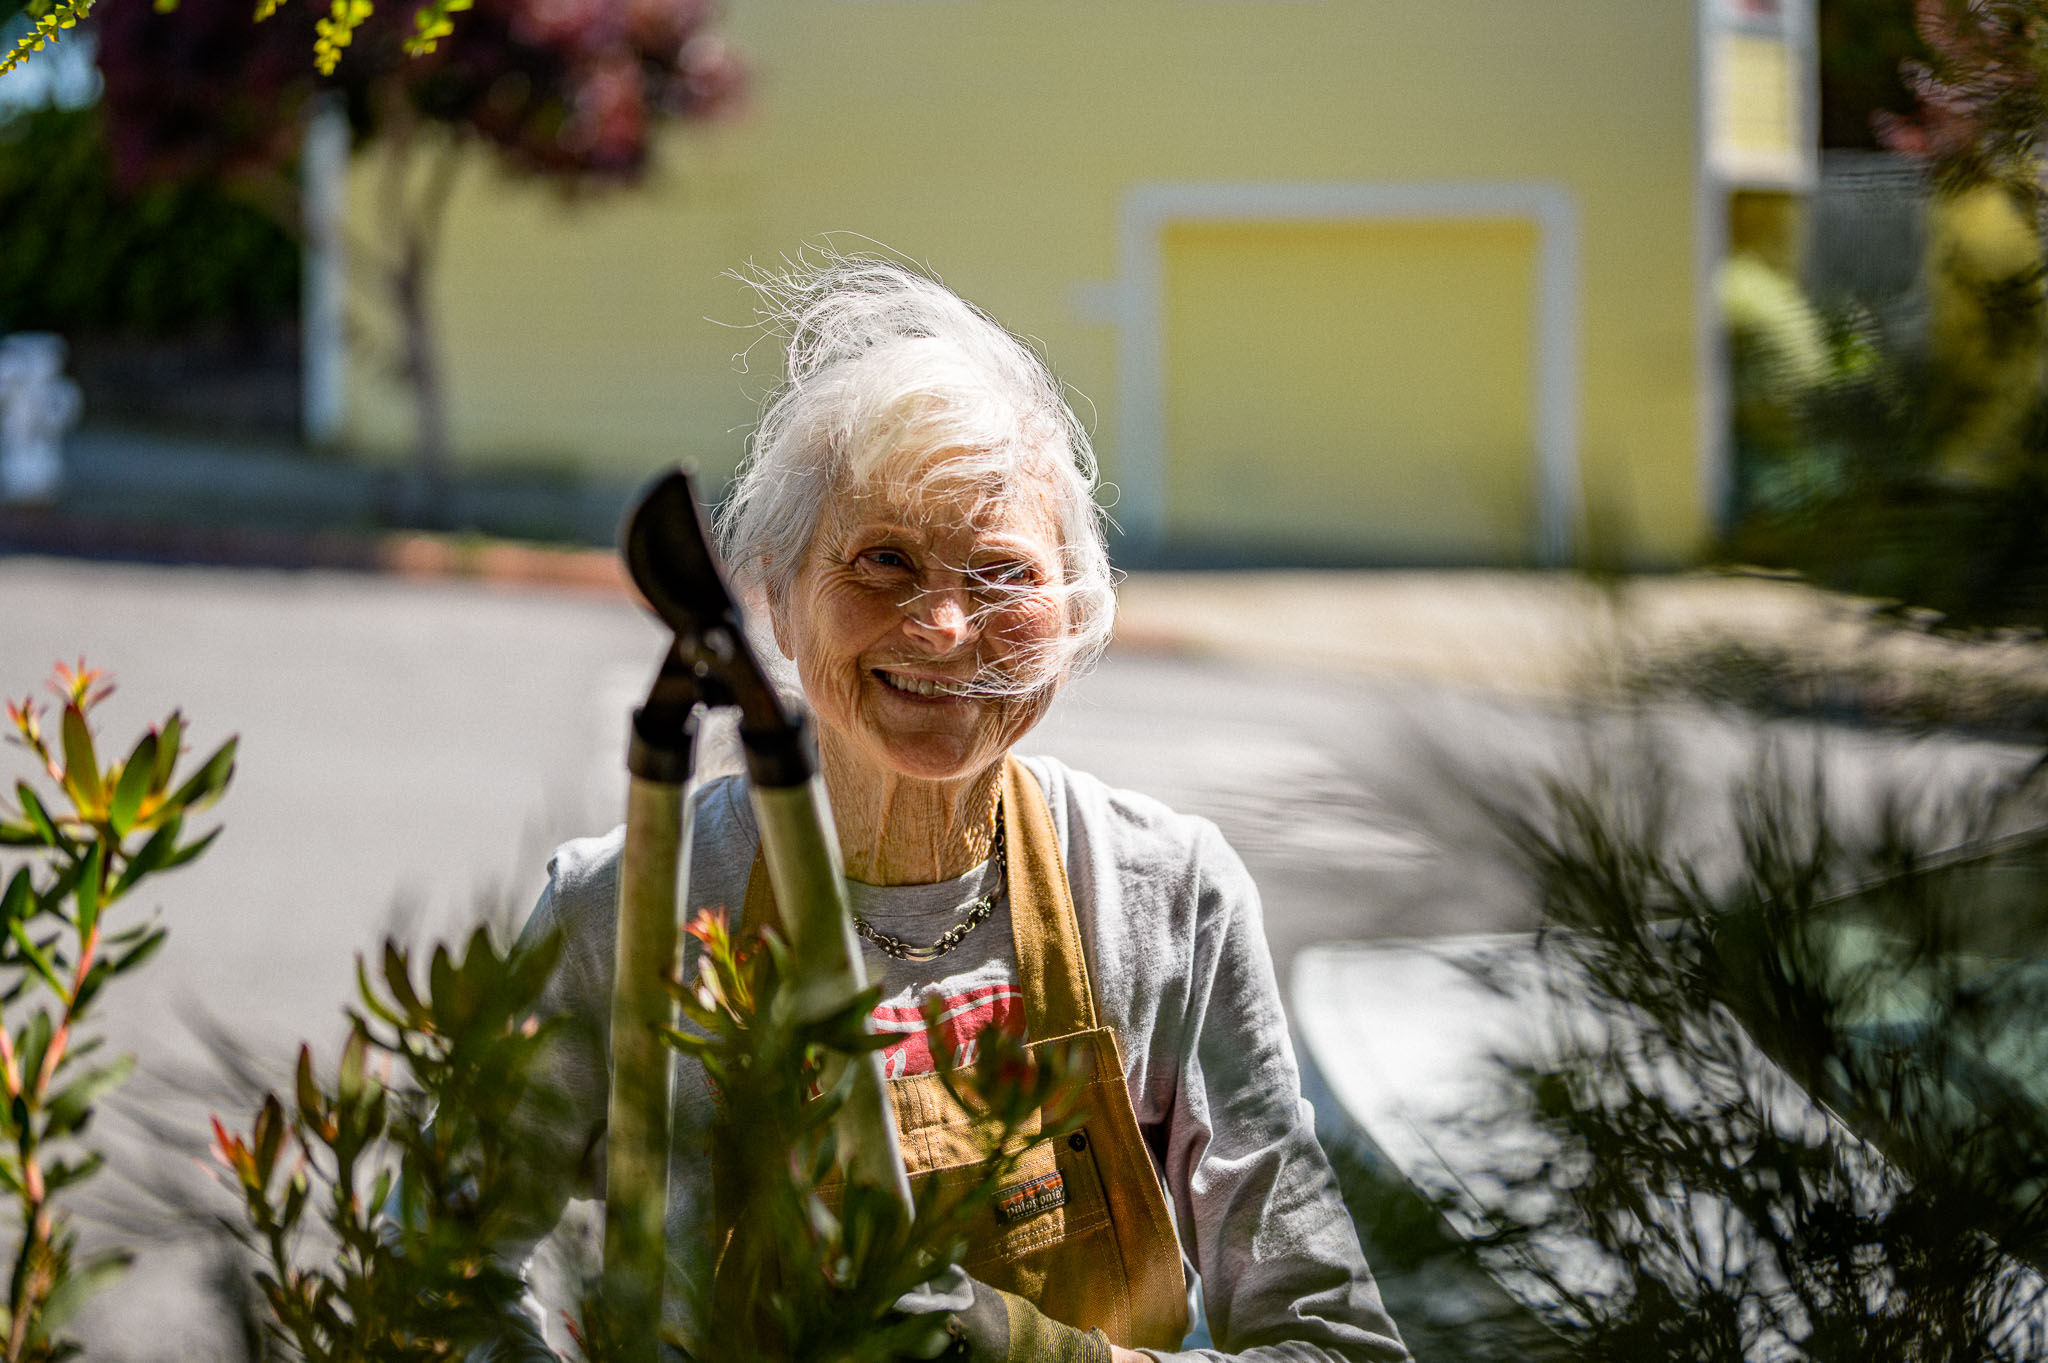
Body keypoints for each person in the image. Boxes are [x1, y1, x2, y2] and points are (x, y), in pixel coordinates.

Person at [515, 256, 1410, 1362]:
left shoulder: (1164, 899)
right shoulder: (625, 906)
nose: (943, 627)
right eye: (884, 559)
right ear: (778, 599)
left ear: (1072, 616)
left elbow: (1334, 1341)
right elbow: (436, 1272)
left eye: (1001, 574)